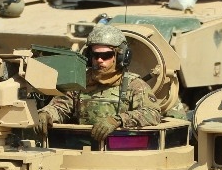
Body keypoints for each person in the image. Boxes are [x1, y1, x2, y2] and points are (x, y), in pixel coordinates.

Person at [35, 24, 164, 144]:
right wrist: (46, 114)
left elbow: (153, 113)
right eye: (95, 55)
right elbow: (60, 107)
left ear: (119, 57)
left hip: (119, 150)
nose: (99, 60)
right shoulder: (80, 82)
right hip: (80, 148)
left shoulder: (134, 85)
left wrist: (119, 120)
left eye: (106, 55)